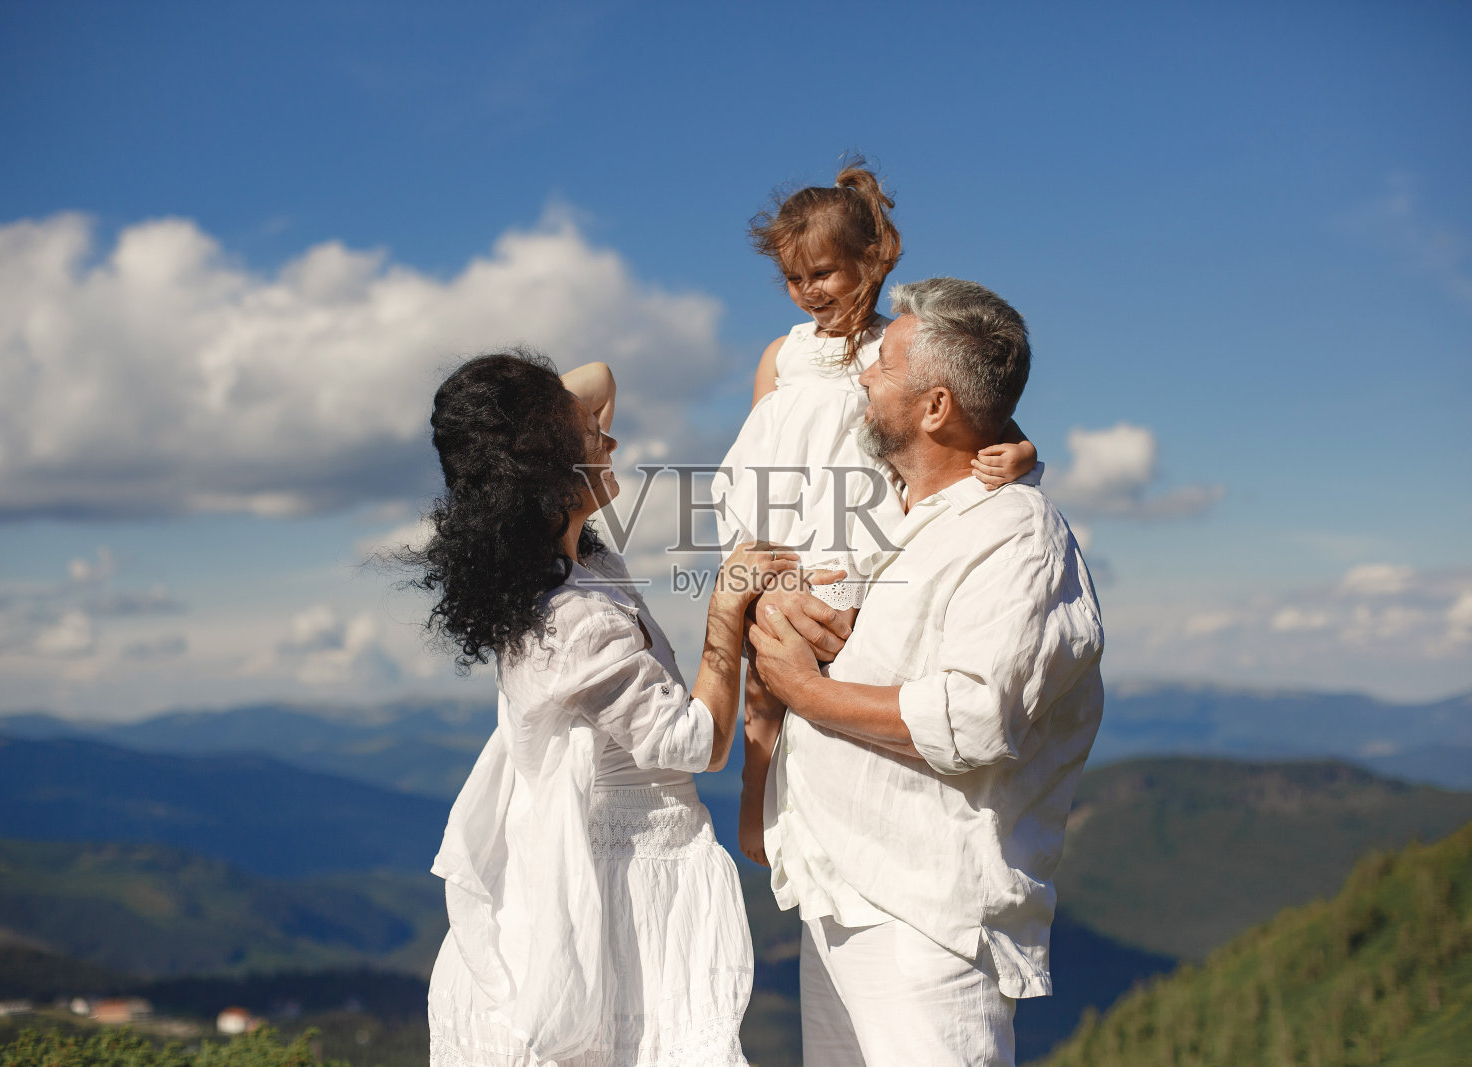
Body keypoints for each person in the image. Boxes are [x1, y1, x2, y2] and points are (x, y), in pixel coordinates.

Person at [748, 278, 1106, 1066]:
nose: (865, 375)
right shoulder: (897, 513)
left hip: (927, 923)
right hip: (841, 897)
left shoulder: (1014, 535)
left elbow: (974, 717)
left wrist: (805, 691)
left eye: (884, 364)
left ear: (936, 407)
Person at [413, 351, 791, 1067]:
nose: (609, 437)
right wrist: (725, 609)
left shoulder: (570, 573)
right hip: (615, 894)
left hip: (606, 870)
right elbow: (697, 745)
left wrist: (532, 424)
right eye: (590, 435)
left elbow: (601, 376)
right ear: (548, 471)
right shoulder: (572, 618)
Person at [719, 159, 1041, 867]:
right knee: (764, 677)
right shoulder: (783, 354)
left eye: (824, 274)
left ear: (872, 259)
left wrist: (1019, 450)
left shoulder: (897, 346)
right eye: (794, 280)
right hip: (788, 525)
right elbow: (758, 453)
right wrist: (754, 552)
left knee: (842, 657)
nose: (808, 293)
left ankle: (832, 804)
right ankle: (755, 788)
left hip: (862, 532)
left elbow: (978, 413)